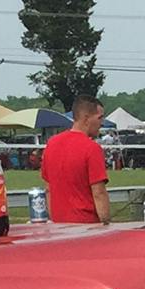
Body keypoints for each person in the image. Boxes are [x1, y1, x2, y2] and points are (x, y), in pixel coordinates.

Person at [40, 96, 111, 225]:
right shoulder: (92, 148)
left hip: (60, 227)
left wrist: (55, 220)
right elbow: (99, 193)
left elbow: (48, 189)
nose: (102, 123)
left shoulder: (51, 144)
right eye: (99, 118)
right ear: (86, 118)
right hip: (87, 225)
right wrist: (106, 224)